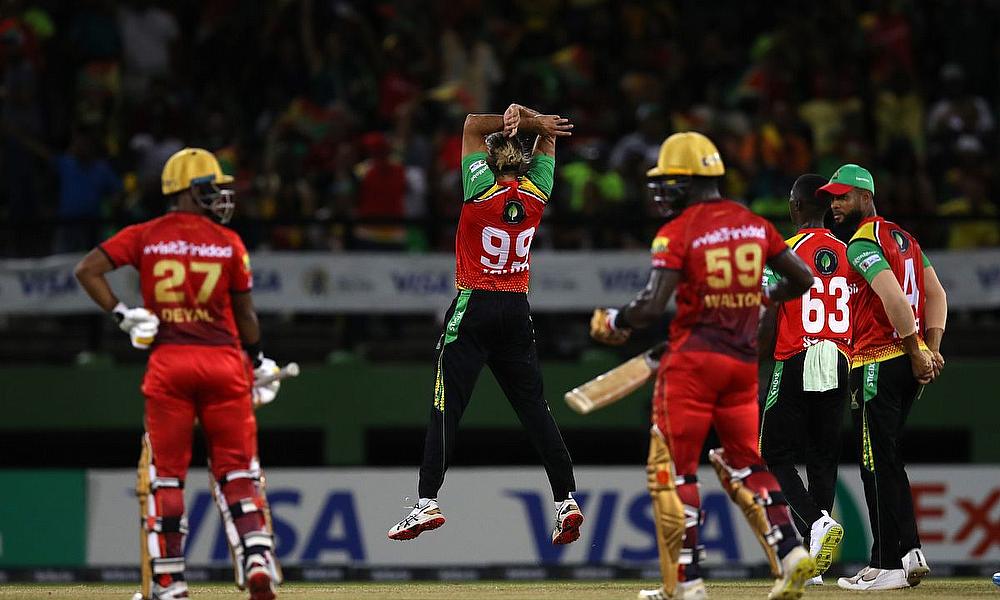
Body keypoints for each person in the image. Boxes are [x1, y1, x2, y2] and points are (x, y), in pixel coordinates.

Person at [590, 132, 817, 600]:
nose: (661, 189)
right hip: (741, 365)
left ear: (691, 180)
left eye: (669, 180)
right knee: (748, 463)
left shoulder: (678, 231)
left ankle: (688, 581)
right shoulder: (755, 224)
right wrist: (763, 295)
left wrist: (615, 319)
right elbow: (803, 278)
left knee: (675, 472)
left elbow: (652, 307)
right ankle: (792, 553)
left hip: (692, 364)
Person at [74, 148, 282, 600]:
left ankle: (169, 582)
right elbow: (245, 313)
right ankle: (257, 555)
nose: (221, 196)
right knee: (237, 470)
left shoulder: (146, 235)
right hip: (225, 364)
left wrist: (122, 315)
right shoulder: (228, 242)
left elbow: (86, 270)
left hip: (169, 363)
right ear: (189, 190)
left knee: (167, 476)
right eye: (212, 187)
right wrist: (259, 358)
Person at [387, 103, 583, 546]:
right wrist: (533, 121)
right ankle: (565, 500)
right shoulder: (537, 194)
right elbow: (548, 136)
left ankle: (427, 501)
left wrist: (518, 118)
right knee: (536, 410)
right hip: (517, 308)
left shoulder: (480, 190)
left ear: (489, 160)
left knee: (446, 407)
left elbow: (473, 125)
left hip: (474, 303)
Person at [822, 164, 948, 591]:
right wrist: (931, 348)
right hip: (902, 362)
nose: (835, 205)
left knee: (876, 460)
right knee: (883, 457)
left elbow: (894, 296)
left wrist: (917, 351)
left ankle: (894, 560)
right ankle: (894, 557)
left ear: (865, 197)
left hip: (878, 360)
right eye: (832, 198)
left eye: (842, 197)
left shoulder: (861, 242)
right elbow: (936, 294)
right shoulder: (906, 238)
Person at [759, 175, 852, 587]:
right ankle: (813, 562)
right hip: (841, 359)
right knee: (822, 457)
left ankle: (814, 524)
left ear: (795, 207)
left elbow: (764, 313)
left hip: (797, 354)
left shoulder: (783, 253)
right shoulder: (852, 253)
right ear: (829, 208)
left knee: (773, 452)